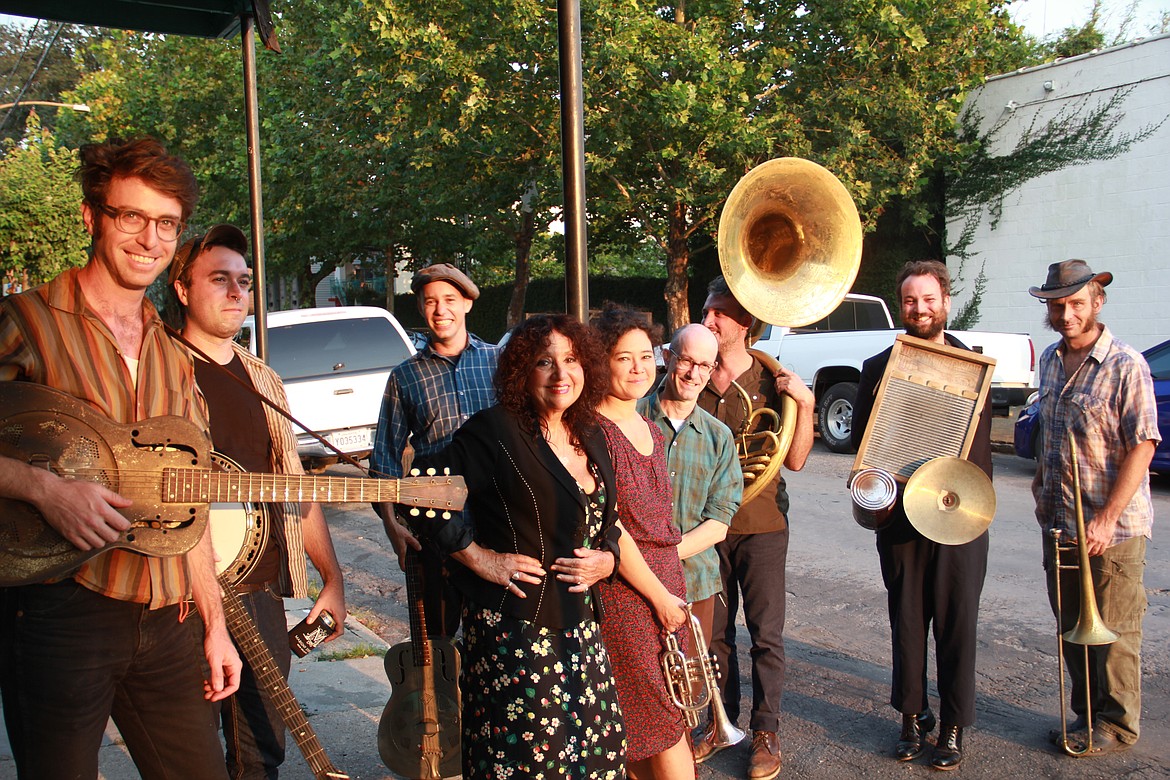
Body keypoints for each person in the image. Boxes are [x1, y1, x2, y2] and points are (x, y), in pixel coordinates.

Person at [0, 137, 241, 779]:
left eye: (165, 223)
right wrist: (40, 488)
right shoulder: (26, 320)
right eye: (130, 216)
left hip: (167, 620)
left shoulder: (169, 349)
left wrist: (214, 625)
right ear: (92, 216)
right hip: (60, 615)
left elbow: (186, 499)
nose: (148, 239)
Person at [167, 224, 348, 778]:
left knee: (261, 751)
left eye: (243, 282)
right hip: (179, 597)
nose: (236, 293)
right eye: (219, 279)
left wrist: (333, 581)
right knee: (189, 757)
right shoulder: (158, 371)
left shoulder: (262, 379)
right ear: (181, 288)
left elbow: (294, 487)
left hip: (261, 592)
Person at [413, 314, 626, 778]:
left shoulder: (590, 431)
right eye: (543, 362)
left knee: (600, 757)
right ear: (521, 372)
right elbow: (416, 491)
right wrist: (477, 557)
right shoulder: (494, 431)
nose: (560, 373)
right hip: (516, 632)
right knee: (531, 765)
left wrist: (607, 559)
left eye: (570, 360)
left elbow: (608, 521)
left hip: (582, 629)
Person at [850, 260, 992, 771]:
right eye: (910, 300)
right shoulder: (876, 367)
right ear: (901, 303)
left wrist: (969, 511)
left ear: (946, 302)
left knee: (957, 625)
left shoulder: (973, 367)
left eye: (928, 299)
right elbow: (867, 454)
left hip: (959, 516)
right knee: (907, 621)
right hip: (902, 520)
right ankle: (912, 716)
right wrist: (869, 494)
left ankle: (952, 727)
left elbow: (981, 459)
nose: (920, 309)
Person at [1028, 259, 1158, 755]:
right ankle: (1086, 717)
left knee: (1116, 632)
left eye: (1076, 304)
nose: (1066, 315)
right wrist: (1041, 483)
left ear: (1097, 303)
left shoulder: (1126, 364)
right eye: (1057, 306)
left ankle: (1118, 726)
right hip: (1060, 523)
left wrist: (1105, 519)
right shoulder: (1050, 360)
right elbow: (1050, 431)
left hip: (1115, 529)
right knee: (1073, 628)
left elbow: (1143, 446)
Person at [693, 275, 815, 779]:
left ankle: (766, 732)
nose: (709, 319)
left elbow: (799, 460)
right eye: (707, 309)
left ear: (744, 324)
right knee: (713, 633)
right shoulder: (690, 375)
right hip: (703, 526)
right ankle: (719, 721)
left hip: (762, 524)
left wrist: (804, 404)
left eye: (718, 313)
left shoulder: (773, 381)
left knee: (766, 634)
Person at [371, 262, 500, 638]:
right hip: (436, 528)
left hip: (499, 525)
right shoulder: (405, 376)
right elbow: (384, 460)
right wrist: (392, 525)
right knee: (435, 643)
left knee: (494, 641)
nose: (440, 310)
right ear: (421, 309)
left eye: (449, 299)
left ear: (467, 304)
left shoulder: (499, 363)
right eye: (430, 302)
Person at [591, 304, 693, 779]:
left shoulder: (649, 427)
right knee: (660, 719)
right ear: (600, 363)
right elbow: (612, 530)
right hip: (630, 593)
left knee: (664, 715)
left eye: (645, 356)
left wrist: (670, 592)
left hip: (667, 582)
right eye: (623, 358)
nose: (638, 368)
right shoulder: (593, 432)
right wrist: (659, 597)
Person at [638, 323, 742, 643]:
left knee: (691, 689)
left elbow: (718, 523)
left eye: (704, 366)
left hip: (695, 583)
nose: (693, 373)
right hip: (633, 583)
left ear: (711, 371)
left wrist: (663, 556)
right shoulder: (630, 419)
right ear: (668, 358)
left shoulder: (720, 437)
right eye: (686, 361)